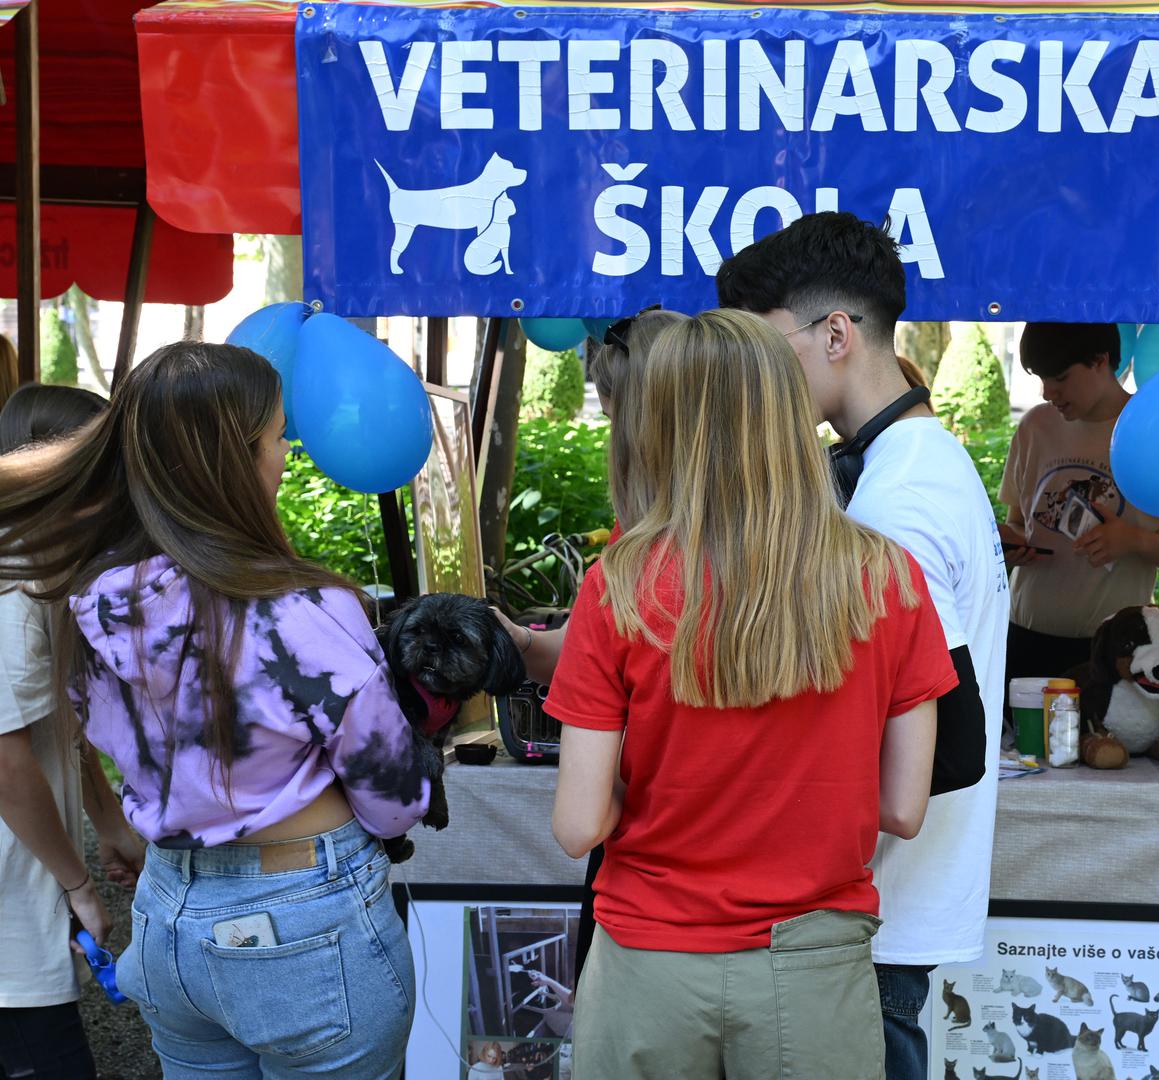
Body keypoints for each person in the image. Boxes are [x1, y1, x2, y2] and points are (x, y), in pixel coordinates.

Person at [0, 342, 430, 1079]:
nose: (284, 458)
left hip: (170, 918)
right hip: (304, 912)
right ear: (232, 460)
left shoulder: (92, 602)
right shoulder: (308, 606)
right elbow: (392, 803)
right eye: (276, 440)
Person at [545, 309, 954, 1079]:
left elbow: (577, 825)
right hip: (812, 966)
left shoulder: (620, 586)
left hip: (648, 962)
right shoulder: (888, 578)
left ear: (662, 424)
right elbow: (903, 807)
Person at [718, 212, 1009, 1080]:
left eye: (769, 348)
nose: (757, 378)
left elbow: (949, 744)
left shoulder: (900, 502)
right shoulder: (914, 461)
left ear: (835, 334)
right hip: (887, 904)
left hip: (875, 909)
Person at [496, 306, 689, 985]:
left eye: (612, 419)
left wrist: (617, 784)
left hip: (647, 892)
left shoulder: (630, 570)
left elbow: (579, 823)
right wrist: (523, 642)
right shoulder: (845, 563)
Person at [0, 384, 144, 1080]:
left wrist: (108, 818)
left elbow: (50, 722)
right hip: (12, 907)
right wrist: (78, 883)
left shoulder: (45, 570)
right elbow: (3, 757)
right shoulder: (12, 585)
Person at [999, 323, 1159, 686]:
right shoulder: (1035, 426)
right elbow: (1020, 525)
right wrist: (1009, 545)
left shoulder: (1158, 434)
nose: (1048, 392)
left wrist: (1133, 541)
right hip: (1025, 637)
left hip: (1117, 649)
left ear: (1101, 361)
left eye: (1061, 378)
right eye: (1041, 378)